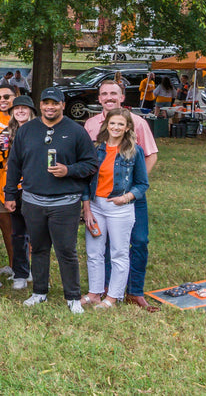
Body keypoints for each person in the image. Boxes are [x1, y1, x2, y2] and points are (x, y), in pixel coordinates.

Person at [4, 87, 98, 314]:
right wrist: (9, 194)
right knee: (38, 248)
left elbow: (92, 164)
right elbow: (14, 163)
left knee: (66, 251)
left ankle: (73, 296)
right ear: (41, 105)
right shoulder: (27, 131)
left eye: (54, 103)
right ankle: (39, 292)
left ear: (63, 105)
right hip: (33, 200)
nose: (50, 107)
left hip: (65, 202)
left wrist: (69, 170)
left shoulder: (76, 131)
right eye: (46, 102)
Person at [82, 79, 160, 311]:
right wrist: (86, 205)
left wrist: (129, 192)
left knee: (136, 242)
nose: (109, 97)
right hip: (97, 202)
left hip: (126, 199)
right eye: (104, 94)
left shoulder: (137, 127)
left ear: (122, 97)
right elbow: (88, 169)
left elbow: (150, 157)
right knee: (97, 249)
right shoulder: (92, 128)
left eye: (114, 93)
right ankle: (99, 290)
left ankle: (133, 292)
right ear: (99, 99)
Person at [0, 94, 37, 289]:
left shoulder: (40, 131)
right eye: (17, 108)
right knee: (17, 232)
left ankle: (36, 271)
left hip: (35, 185)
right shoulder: (5, 133)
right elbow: (0, 160)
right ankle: (21, 271)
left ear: (31, 111)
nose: (20, 111)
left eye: (24, 108)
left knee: (36, 232)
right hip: (12, 185)